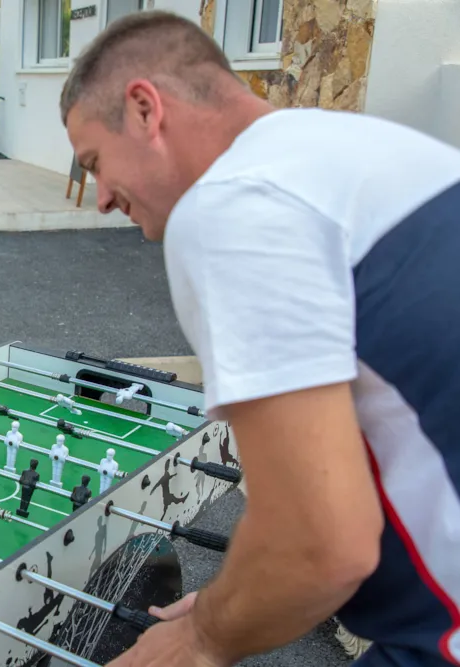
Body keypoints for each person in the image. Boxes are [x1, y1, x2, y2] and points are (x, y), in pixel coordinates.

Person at [60, 11, 460, 667]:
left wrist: (201, 637)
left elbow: (321, 544)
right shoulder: (365, 152)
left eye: (95, 162)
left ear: (143, 108)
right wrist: (244, 600)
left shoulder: (229, 207)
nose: (100, 196)